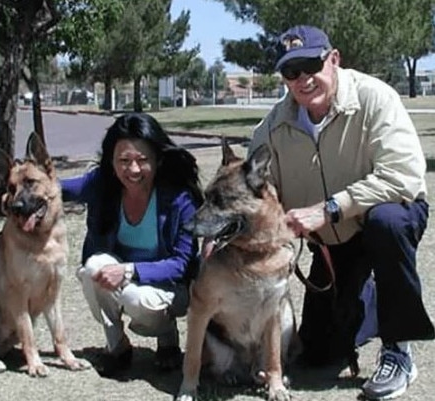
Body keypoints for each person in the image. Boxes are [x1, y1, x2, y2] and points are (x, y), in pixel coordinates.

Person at [249, 25, 434, 400]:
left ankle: (398, 351)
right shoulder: (272, 126)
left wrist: (330, 208)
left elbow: (403, 176)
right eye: (291, 71)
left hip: (385, 219)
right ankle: (366, 297)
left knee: (388, 223)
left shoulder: (375, 98)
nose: (303, 79)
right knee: (317, 354)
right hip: (333, 243)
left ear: (333, 59)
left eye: (310, 65)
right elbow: (254, 187)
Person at [61, 112, 203, 377]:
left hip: (169, 288)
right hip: (124, 280)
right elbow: (56, 188)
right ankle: (118, 347)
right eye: (123, 161)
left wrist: (128, 271)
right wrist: (19, 190)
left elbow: (181, 265)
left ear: (158, 160)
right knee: (94, 267)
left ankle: (168, 337)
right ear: (111, 162)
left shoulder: (179, 198)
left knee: (135, 298)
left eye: (142, 160)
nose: (133, 170)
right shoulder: (102, 184)